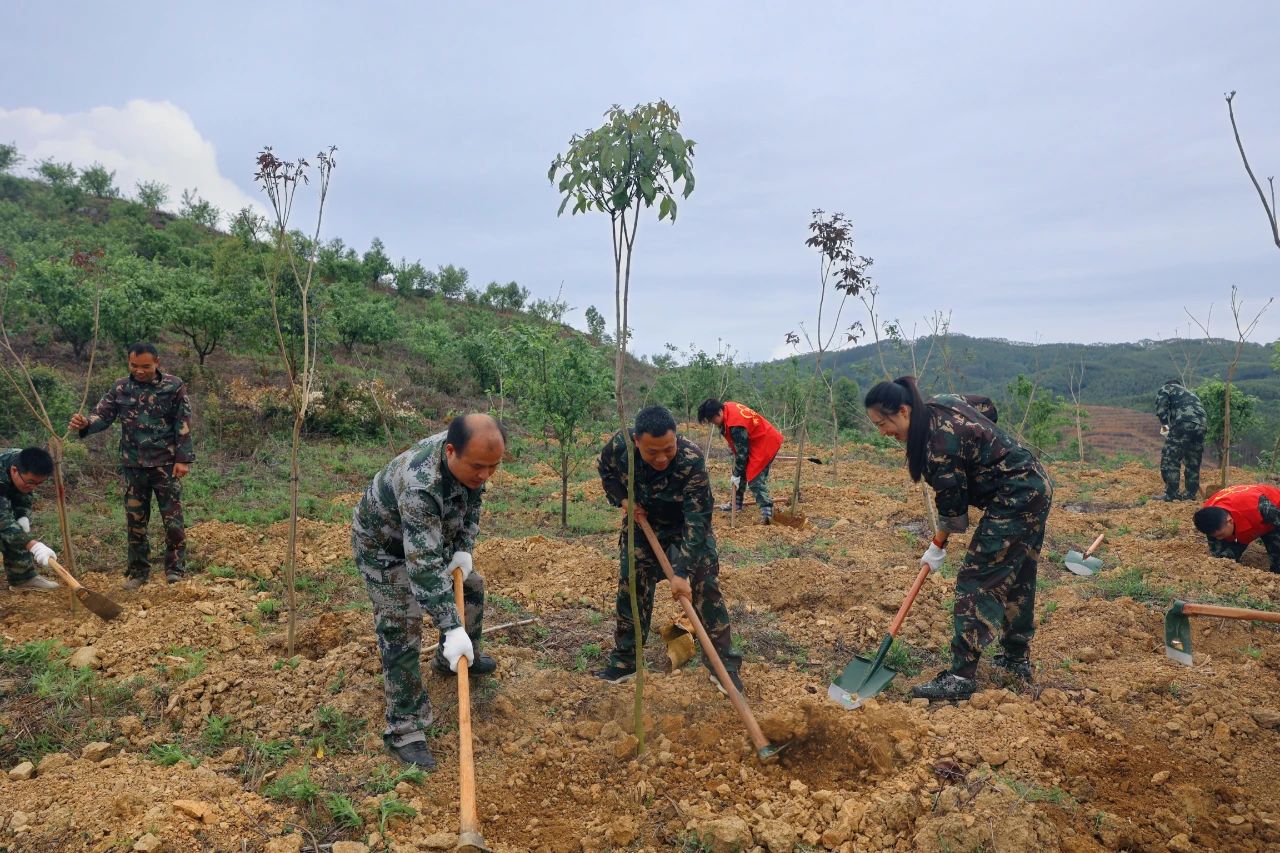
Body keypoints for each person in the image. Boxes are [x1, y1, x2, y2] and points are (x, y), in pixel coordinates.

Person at [865, 377, 1053, 701]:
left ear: (905, 411)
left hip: (1016, 496)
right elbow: (986, 406)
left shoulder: (938, 447)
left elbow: (953, 512)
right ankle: (1015, 659)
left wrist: (935, 547)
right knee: (1019, 576)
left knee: (977, 578)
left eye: (884, 423)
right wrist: (981, 447)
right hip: (1034, 483)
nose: (883, 433)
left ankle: (960, 677)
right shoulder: (942, 402)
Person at [351, 414, 505, 769]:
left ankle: (453, 660)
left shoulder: (474, 459)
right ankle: (404, 728)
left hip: (430, 535)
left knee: (472, 585)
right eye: (479, 467)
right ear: (451, 452)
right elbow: (421, 571)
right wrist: (451, 627)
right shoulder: (421, 485)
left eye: (493, 468)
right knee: (401, 619)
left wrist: (463, 547)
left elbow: (472, 503)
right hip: (383, 547)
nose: (485, 476)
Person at [594, 405, 744, 695]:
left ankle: (723, 666)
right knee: (632, 589)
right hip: (644, 524)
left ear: (676, 439)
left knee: (705, 588)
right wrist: (623, 500)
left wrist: (681, 571)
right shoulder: (619, 447)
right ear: (637, 441)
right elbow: (606, 472)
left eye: (668, 449)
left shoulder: (691, 459)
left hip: (685, 528)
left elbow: (698, 519)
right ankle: (626, 661)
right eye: (652, 452)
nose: (661, 458)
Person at [68, 342, 194, 589]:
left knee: (173, 520)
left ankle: (175, 569)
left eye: (145, 366)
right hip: (133, 466)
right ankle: (138, 572)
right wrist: (85, 423)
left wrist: (182, 459)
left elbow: (183, 422)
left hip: (165, 465)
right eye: (134, 365)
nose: (139, 371)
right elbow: (102, 416)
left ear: (157, 362)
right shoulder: (120, 388)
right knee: (135, 521)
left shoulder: (173, 386)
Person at [697, 398, 783, 524]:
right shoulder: (727, 407)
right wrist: (737, 472)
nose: (713, 423)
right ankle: (736, 503)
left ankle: (767, 512)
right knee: (739, 469)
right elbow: (740, 452)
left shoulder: (735, 424)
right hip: (756, 440)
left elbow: (742, 454)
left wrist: (736, 474)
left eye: (712, 420)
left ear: (719, 412)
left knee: (754, 478)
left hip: (765, 442)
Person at [1, 447, 60, 590]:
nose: (33, 487)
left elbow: (22, 496)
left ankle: (23, 578)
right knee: (10, 531)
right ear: (14, 471)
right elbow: (3, 521)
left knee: (18, 531)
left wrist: (22, 516)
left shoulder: (24, 462)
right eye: (31, 482)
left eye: (38, 484)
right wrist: (33, 545)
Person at [1193, 484, 1280, 573]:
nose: (1219, 538)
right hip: (1243, 519)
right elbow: (1217, 550)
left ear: (1230, 521)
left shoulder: (1261, 507)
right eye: (1215, 536)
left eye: (1221, 535)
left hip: (1272, 515)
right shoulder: (1208, 516)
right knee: (1223, 559)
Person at [1155, 379, 1206, 501]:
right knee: (1193, 461)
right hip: (1202, 425)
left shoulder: (1167, 388)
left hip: (1183, 423)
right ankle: (1190, 494)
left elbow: (1161, 408)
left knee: (1170, 458)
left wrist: (1164, 425)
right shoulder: (1191, 393)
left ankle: (1171, 494)